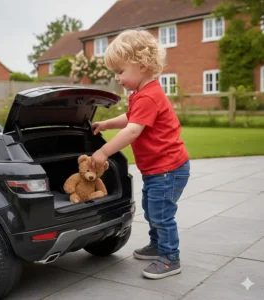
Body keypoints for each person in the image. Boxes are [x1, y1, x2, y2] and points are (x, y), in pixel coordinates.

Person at [90, 28, 190, 280]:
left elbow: (133, 130)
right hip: (158, 169)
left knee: (161, 212)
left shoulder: (149, 96)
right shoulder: (141, 95)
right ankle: (157, 245)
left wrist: (103, 151)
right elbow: (129, 118)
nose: (118, 78)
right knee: (150, 207)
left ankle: (170, 258)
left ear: (141, 65)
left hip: (168, 169)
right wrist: (106, 124)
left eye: (120, 72)